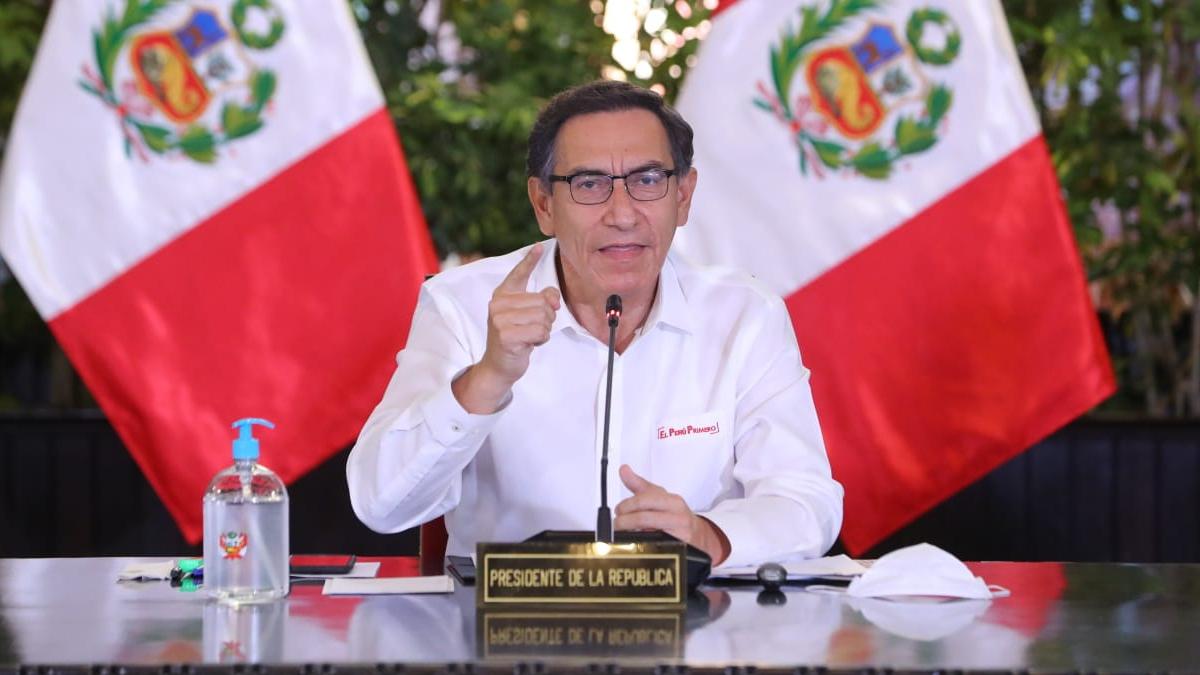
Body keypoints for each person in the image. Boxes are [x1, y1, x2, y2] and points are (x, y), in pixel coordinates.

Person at [347, 80, 842, 567]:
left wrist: (708, 535)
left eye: (648, 180)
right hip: (503, 629)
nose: (622, 214)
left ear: (684, 197)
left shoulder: (744, 315)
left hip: (695, 625)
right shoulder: (464, 306)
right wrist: (489, 376)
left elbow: (806, 501)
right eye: (589, 185)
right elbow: (381, 504)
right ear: (544, 205)